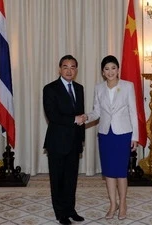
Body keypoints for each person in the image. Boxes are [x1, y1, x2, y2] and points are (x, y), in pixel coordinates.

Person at [84, 55, 138, 220]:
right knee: (108, 171)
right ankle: (112, 204)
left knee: (121, 172)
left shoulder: (128, 86)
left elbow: (132, 112)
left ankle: (122, 204)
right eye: (106, 69)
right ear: (103, 72)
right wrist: (85, 117)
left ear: (118, 69)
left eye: (113, 68)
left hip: (123, 134)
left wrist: (135, 136)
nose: (110, 71)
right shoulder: (99, 88)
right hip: (105, 134)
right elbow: (97, 112)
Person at [43, 55, 86, 225]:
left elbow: (80, 114)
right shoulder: (50, 88)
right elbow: (52, 115)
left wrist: (81, 139)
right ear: (59, 68)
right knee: (57, 179)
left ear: (76, 70)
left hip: (74, 142)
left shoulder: (79, 88)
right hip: (57, 142)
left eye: (73, 67)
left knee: (71, 179)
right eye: (66, 67)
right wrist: (74, 119)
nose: (69, 70)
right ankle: (60, 213)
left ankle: (70, 209)